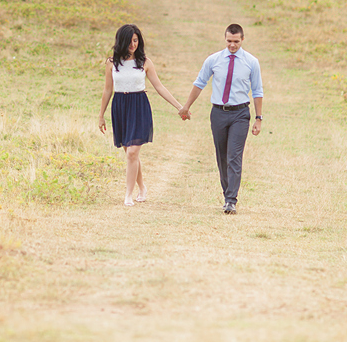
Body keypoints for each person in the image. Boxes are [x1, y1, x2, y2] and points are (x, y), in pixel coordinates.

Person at [179, 24, 263, 215]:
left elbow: (257, 91)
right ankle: (227, 195)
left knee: (234, 156)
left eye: (236, 41)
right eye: (229, 41)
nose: (232, 45)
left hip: (240, 114)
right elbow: (199, 83)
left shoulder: (251, 62)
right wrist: (186, 106)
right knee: (222, 156)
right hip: (218, 113)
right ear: (225, 39)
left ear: (242, 40)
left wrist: (258, 118)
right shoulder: (213, 60)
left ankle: (231, 200)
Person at [99, 24, 186, 207]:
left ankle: (128, 195)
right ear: (122, 41)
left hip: (139, 107)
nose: (133, 44)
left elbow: (159, 86)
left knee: (132, 152)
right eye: (130, 41)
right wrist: (101, 115)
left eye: (136, 40)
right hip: (120, 106)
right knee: (130, 154)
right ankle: (142, 187)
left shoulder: (145, 62)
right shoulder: (111, 63)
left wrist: (180, 107)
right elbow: (107, 90)